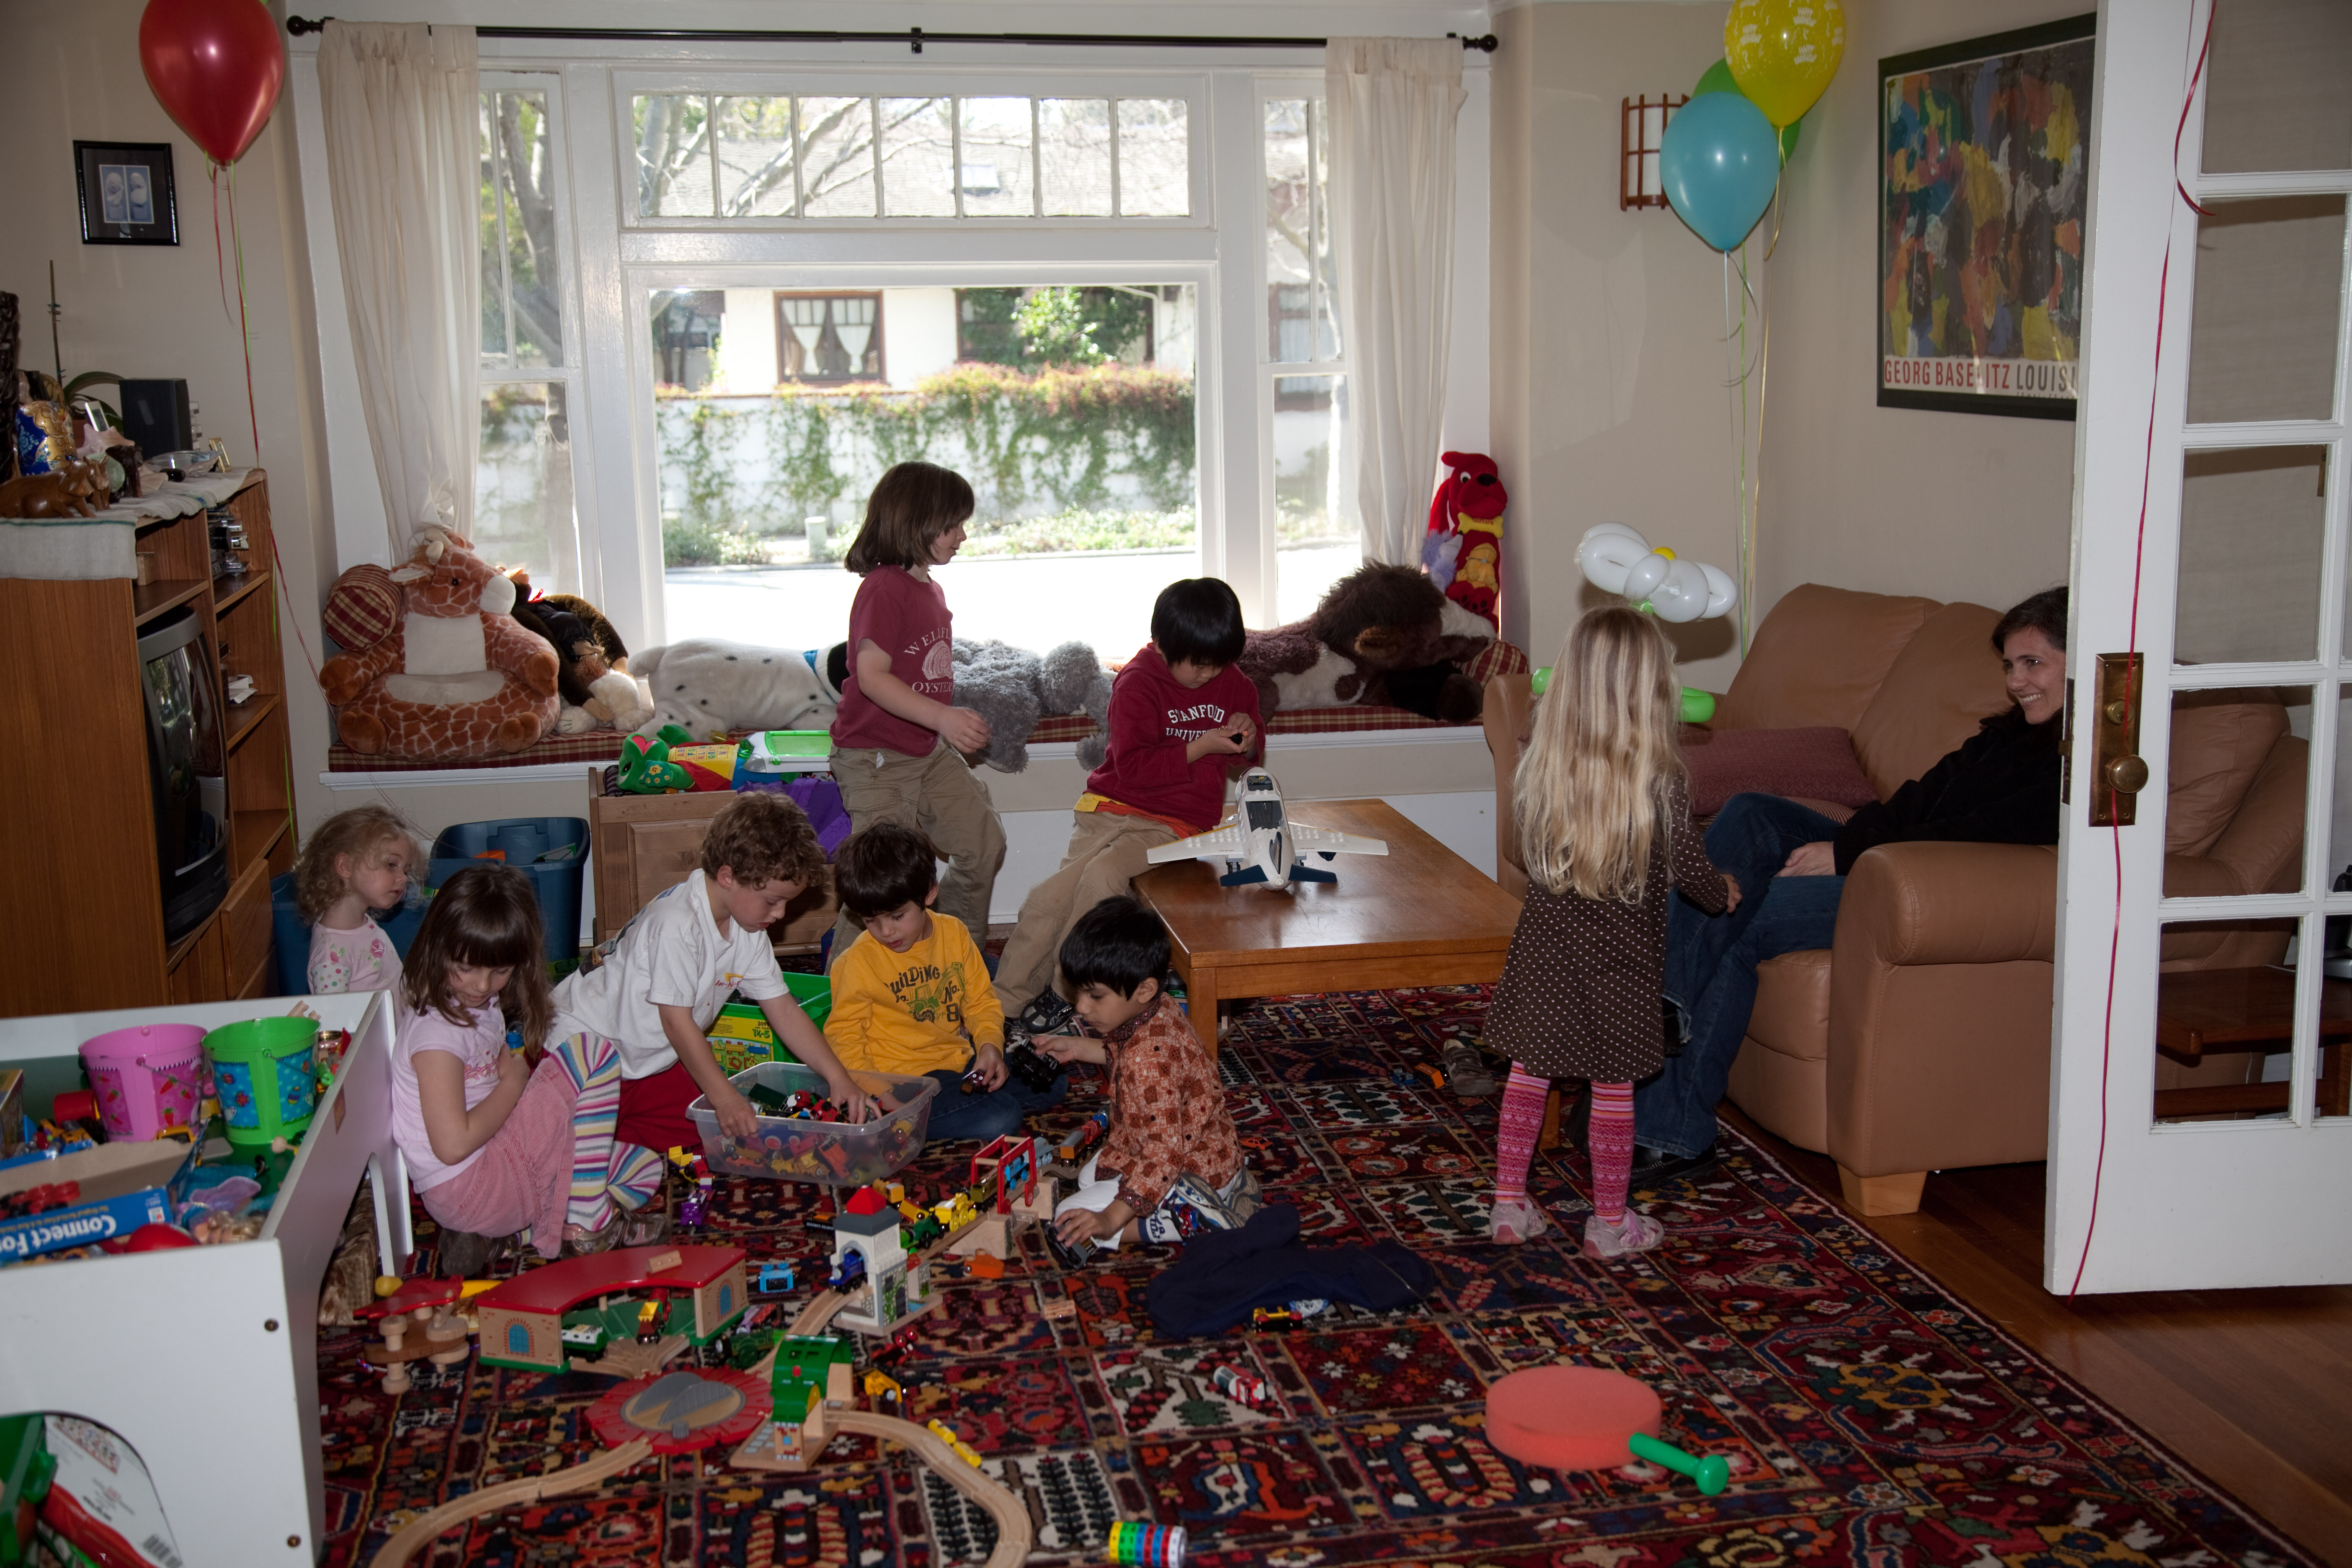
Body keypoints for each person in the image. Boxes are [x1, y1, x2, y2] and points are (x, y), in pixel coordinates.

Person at [1630, 585, 2070, 1183]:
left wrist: (1848, 853)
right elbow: (1917, 799)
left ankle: (1666, 1122)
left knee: (1742, 911)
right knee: (1754, 812)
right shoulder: (2008, 734)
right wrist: (1849, 843)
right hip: (1891, 853)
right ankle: (1666, 1003)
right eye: (2011, 666)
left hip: (1924, 885)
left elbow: (1984, 833)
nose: (2018, 682)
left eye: (2033, 663)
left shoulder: (2082, 761)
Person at [1482, 608, 1736, 1256]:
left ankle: (1508, 1205)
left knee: (1529, 1074)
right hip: (1621, 964)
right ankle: (1611, 1222)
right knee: (1614, 1088)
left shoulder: (1541, 767)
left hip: (1545, 951)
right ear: (1654, 690)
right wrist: (1722, 893)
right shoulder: (1662, 782)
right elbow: (1690, 869)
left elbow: (1524, 853)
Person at [994, 578, 1261, 1039]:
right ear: (1162, 644)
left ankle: (1064, 990)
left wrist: (1248, 735)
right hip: (1112, 807)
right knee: (1046, 900)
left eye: (1218, 664)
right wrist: (1200, 746)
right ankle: (1002, 1005)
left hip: (1176, 823)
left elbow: (1249, 756)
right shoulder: (1137, 682)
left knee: (1102, 880)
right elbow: (1134, 770)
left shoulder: (1233, 683)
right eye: (1198, 665)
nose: (1209, 674)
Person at [553, 792, 875, 1164]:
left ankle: (609, 1136)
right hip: (581, 1053)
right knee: (565, 1157)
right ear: (728, 877)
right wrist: (723, 1097)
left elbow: (785, 1010)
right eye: (773, 901)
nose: (781, 914)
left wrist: (838, 1077)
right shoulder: (676, 924)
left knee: (712, 1136)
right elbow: (677, 1023)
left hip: (648, 1064)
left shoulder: (749, 931)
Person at [392, 865, 667, 1273]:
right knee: (593, 1054)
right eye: (466, 968)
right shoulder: (436, 1035)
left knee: (644, 1168)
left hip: (497, 1182)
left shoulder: (477, 1005)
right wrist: (519, 1078)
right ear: (436, 948)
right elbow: (452, 1145)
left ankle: (509, 1237)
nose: (482, 985)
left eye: (500, 971)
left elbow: (497, 1071)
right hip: (471, 1184)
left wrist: (518, 1079)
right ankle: (587, 1226)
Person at [825, 460, 1006, 965]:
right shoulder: (884, 588)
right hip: (876, 760)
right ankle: (844, 993)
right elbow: (872, 676)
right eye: (953, 525)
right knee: (879, 882)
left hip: (925, 752)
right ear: (916, 522)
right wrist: (943, 718)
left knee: (982, 843)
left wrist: (944, 724)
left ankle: (954, 963)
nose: (962, 536)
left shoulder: (930, 587)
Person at [1037, 896, 1256, 1255]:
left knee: (1067, 1218)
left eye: (1095, 996)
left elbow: (1165, 1155)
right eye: (1080, 992)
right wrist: (1077, 1048)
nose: (1081, 1007)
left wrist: (1110, 1219)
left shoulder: (1148, 1061)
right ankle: (1226, 1189)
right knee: (1091, 1176)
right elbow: (1127, 1056)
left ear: (1145, 990)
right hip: (1213, 1152)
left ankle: (1193, 1220)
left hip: (1186, 1169)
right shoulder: (1160, 1008)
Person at [825, 822, 1065, 1141]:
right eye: (871, 920)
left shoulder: (954, 934)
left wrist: (990, 1048)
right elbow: (844, 1040)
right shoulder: (855, 963)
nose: (886, 932)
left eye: (897, 916)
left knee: (1054, 1081)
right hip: (901, 1082)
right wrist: (883, 1096)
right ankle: (901, 1124)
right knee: (1002, 1117)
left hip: (957, 1063)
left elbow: (980, 1002)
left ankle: (959, 1109)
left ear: (929, 894)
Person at [294, 805, 416, 995]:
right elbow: (335, 1012)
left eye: (406, 870)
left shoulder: (362, 924)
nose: (404, 878)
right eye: (391, 865)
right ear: (346, 866)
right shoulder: (331, 958)